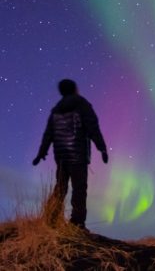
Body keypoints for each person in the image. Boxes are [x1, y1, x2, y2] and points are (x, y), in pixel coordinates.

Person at [32, 79, 108, 231]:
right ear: (74, 89)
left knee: (60, 188)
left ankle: (51, 220)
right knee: (79, 189)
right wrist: (102, 148)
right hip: (78, 154)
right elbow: (92, 127)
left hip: (61, 156)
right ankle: (77, 224)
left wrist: (41, 154)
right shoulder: (82, 105)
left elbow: (48, 134)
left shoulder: (56, 110)